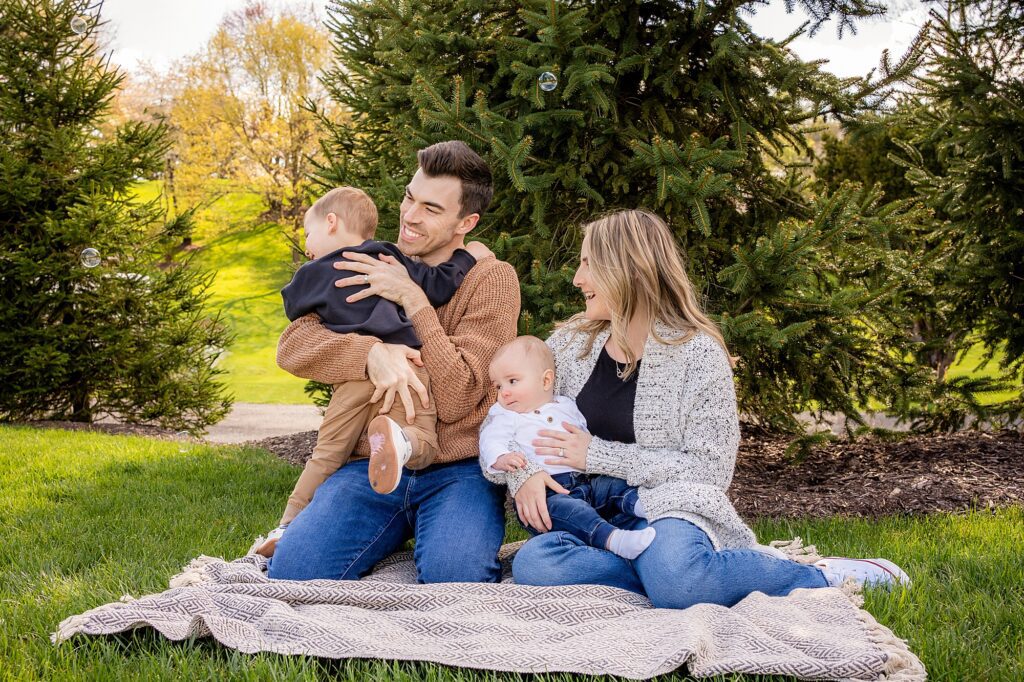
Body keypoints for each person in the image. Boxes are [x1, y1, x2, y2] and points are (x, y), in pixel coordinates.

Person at [499, 209, 910, 609]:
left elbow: (711, 469)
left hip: (667, 507)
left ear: (628, 269)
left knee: (680, 583)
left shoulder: (697, 354)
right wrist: (524, 475)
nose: (577, 278)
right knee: (537, 565)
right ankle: (661, 570)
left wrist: (599, 455)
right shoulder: (569, 347)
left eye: (589, 264)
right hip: (590, 512)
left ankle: (823, 575)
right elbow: (512, 418)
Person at [266, 141, 520, 583]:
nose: (410, 215)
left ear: (467, 222)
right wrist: (370, 354)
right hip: (372, 461)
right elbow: (293, 344)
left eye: (431, 208)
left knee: (455, 576)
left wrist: (412, 297)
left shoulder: (491, 279)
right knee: (295, 571)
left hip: (455, 469)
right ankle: (385, 533)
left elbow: (461, 394)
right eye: (409, 197)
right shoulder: (371, 258)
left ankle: (430, 537)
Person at [481, 336, 655, 559]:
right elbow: (490, 439)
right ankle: (613, 540)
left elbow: (586, 436)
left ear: (545, 381)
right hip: (547, 496)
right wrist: (502, 458)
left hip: (584, 483)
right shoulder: (505, 414)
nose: (503, 392)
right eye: (498, 386)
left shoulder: (566, 405)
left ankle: (648, 507)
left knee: (613, 487)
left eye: (512, 381)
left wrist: (602, 449)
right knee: (572, 512)